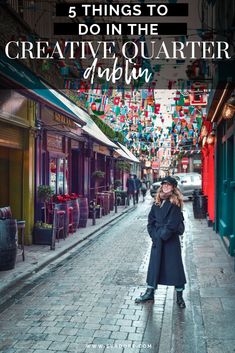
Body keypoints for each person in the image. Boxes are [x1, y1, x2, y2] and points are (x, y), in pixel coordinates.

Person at [135, 176, 186, 308]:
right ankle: (150, 292)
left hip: (170, 241)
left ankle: (180, 297)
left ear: (173, 187)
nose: (166, 186)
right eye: (164, 184)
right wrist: (154, 235)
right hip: (158, 239)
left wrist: (162, 235)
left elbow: (173, 223)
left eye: (169, 185)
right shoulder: (157, 202)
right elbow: (150, 221)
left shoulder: (175, 202)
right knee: (154, 266)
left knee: (175, 269)